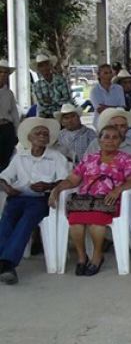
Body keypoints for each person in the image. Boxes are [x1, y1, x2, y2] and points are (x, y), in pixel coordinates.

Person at [49, 125, 131, 277]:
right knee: (75, 221)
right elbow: (73, 180)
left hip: (109, 202)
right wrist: (56, 189)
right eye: (106, 137)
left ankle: (97, 256)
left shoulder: (125, 159)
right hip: (85, 201)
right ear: (99, 140)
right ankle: (82, 257)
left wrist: (117, 190)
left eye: (115, 137)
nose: (110, 141)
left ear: (120, 141)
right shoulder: (89, 158)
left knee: (97, 221)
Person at [0, 118, 68, 284]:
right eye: (38, 133)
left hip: (41, 199)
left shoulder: (56, 157)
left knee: (27, 220)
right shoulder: (19, 157)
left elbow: (66, 181)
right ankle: (4, 263)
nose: (42, 136)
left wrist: (48, 185)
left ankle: (7, 263)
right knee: (7, 219)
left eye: (45, 134)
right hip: (18, 196)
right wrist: (7, 187)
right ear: (29, 138)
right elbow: (4, 177)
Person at [86, 108, 131, 173]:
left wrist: (130, 175)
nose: (119, 129)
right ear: (108, 127)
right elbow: (85, 163)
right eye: (115, 126)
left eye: (122, 126)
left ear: (127, 128)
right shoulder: (96, 143)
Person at [31, 54, 73, 119]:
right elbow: (43, 104)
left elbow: (67, 99)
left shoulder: (61, 80)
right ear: (38, 69)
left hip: (63, 114)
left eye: (46, 64)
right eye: (41, 66)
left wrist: (51, 101)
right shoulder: (36, 86)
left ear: (50, 66)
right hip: (46, 116)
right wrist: (58, 99)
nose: (45, 68)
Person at [89, 63, 125, 128]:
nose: (109, 75)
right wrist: (116, 108)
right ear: (99, 75)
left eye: (110, 72)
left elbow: (122, 107)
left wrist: (106, 107)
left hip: (117, 123)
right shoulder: (94, 90)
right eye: (105, 73)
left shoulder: (119, 88)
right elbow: (100, 109)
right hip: (100, 124)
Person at [0, 59, 19, 171]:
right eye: (0, 72)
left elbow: (14, 113)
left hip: (7, 128)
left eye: (5, 72)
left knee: (6, 158)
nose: (3, 75)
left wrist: (17, 133)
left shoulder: (9, 93)